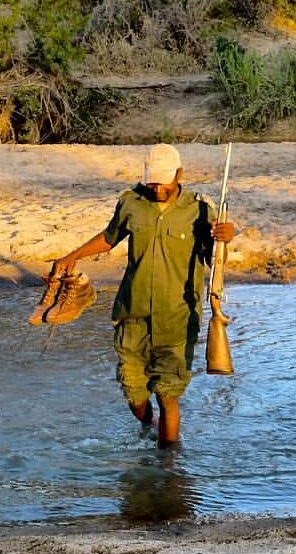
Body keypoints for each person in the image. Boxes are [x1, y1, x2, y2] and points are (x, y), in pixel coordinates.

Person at [51, 144, 234, 448]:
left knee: (168, 396)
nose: (156, 187)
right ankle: (148, 426)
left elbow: (212, 257)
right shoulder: (130, 203)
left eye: (163, 181)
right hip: (132, 315)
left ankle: (168, 469)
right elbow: (110, 237)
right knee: (135, 396)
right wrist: (72, 256)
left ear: (179, 175)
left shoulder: (199, 210)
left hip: (176, 319)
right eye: (152, 180)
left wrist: (226, 237)